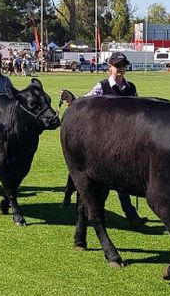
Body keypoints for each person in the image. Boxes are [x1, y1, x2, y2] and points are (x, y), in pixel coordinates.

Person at [62, 52, 147, 227]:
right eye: (117, 66)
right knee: (107, 178)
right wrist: (72, 100)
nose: (121, 69)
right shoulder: (101, 87)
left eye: (123, 65)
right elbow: (85, 102)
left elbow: (138, 112)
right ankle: (116, 214)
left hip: (127, 139)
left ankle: (130, 214)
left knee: (124, 177)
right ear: (110, 67)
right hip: (106, 140)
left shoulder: (130, 87)